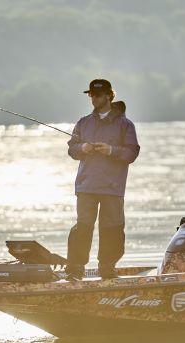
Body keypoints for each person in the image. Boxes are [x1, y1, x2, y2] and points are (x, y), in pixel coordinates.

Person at [66, 79, 140, 280]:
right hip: (86, 186)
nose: (93, 98)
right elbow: (72, 149)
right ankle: (75, 271)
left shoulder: (126, 125)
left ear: (109, 96)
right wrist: (82, 148)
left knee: (112, 229)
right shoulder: (83, 122)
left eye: (97, 95)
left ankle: (107, 269)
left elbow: (132, 153)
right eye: (91, 95)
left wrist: (111, 150)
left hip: (113, 187)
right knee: (83, 228)